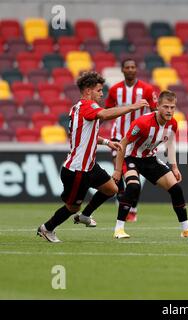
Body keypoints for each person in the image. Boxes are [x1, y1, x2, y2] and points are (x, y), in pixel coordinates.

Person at [37, 71, 148, 243]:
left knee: (112, 189)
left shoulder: (77, 108)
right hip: (77, 169)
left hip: (89, 166)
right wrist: (133, 107)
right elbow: (104, 114)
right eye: (99, 90)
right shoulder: (88, 106)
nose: (102, 94)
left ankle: (85, 215)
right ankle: (47, 228)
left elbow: (84, 135)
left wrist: (106, 142)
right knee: (72, 207)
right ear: (88, 91)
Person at [112, 90, 188, 239]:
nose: (169, 111)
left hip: (150, 159)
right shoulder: (143, 122)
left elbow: (170, 144)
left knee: (176, 189)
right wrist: (117, 170)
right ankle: (119, 229)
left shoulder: (173, 124)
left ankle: (186, 230)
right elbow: (123, 143)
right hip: (131, 158)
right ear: (157, 106)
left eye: (172, 107)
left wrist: (174, 167)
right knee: (133, 186)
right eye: (166, 107)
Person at [105, 58, 158, 222]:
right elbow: (107, 111)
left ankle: (133, 207)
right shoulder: (114, 90)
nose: (130, 69)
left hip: (139, 139)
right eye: (127, 67)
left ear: (136, 69)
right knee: (118, 170)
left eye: (133, 67)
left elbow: (156, 112)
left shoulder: (147, 89)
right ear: (122, 70)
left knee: (136, 176)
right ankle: (122, 203)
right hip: (119, 135)